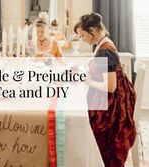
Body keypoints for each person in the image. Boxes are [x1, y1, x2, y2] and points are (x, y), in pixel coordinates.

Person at [74, 13, 136, 167]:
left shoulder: (105, 50)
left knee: (80, 118)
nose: (83, 39)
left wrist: (88, 81)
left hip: (113, 105)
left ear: (93, 31)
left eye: (83, 35)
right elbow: (101, 73)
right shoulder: (103, 44)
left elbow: (110, 87)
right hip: (110, 98)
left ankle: (88, 159)